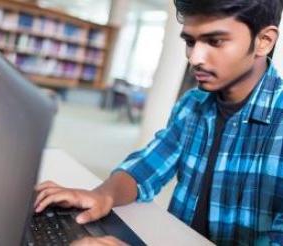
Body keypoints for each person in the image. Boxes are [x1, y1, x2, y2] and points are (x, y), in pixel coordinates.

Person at [34, 0, 283, 244]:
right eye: (190, 41)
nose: (195, 57)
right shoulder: (192, 104)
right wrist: (103, 195)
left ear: (264, 41)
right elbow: (147, 166)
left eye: (215, 41)